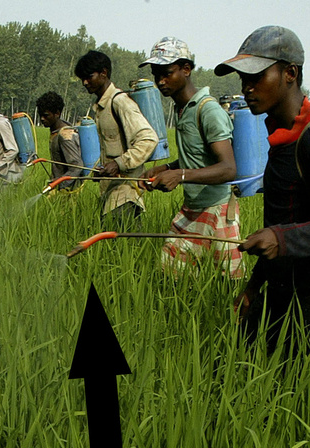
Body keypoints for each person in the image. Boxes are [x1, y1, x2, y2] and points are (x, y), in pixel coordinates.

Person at [215, 26, 310, 354]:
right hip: (283, 281)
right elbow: (283, 219)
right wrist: (254, 286)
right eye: (243, 79)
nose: (247, 88)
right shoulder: (283, 137)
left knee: (297, 388)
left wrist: (280, 239)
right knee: (248, 365)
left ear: (290, 73)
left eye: (256, 76)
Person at [141, 37, 242, 277]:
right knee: (169, 275)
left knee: (229, 284)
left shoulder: (207, 110)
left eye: (167, 73)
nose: (160, 81)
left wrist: (181, 175)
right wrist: (166, 168)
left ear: (186, 69)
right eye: (157, 75)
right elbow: (197, 157)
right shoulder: (182, 109)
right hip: (193, 208)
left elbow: (228, 168)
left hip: (217, 211)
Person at [73, 50, 158, 229]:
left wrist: (118, 164)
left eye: (89, 77)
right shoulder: (101, 108)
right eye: (82, 79)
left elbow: (148, 139)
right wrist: (103, 170)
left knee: (128, 249)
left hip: (126, 195)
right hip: (111, 194)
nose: (85, 83)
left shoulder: (120, 102)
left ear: (104, 73)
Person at [35, 91, 83, 191]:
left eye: (46, 115)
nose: (42, 119)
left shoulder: (65, 135)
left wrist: (59, 185)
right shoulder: (55, 132)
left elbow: (76, 166)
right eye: (40, 115)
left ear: (57, 113)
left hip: (69, 191)